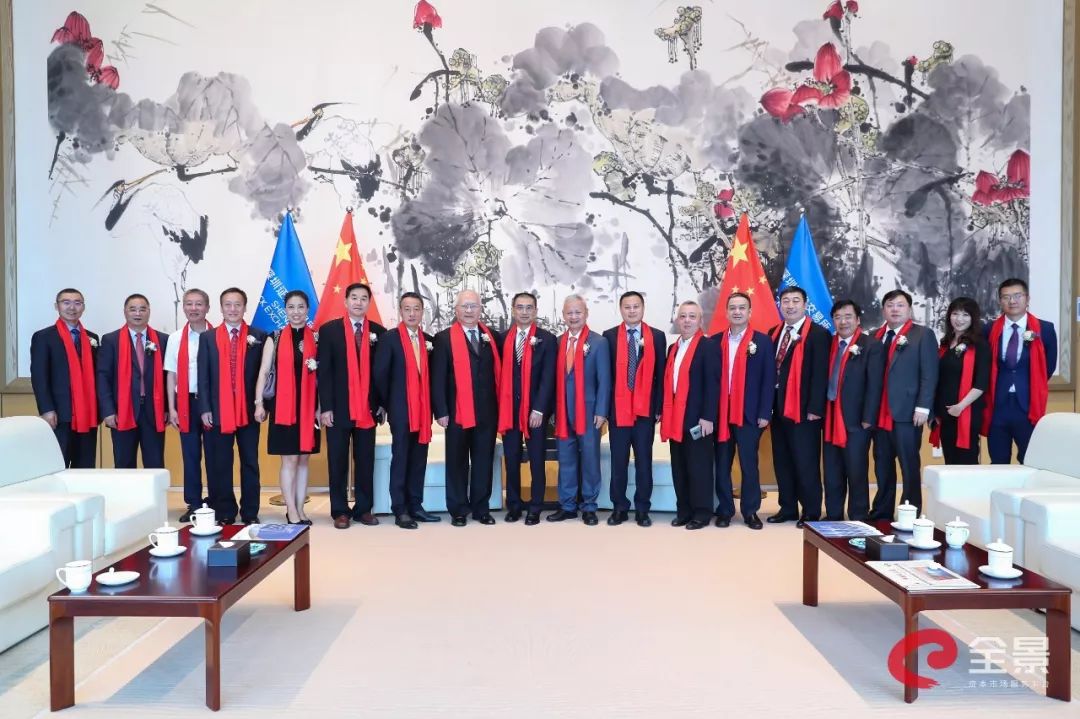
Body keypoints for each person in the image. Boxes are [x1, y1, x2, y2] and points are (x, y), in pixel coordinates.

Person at [317, 283, 387, 529]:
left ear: (369, 303)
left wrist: (382, 404)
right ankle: (340, 511)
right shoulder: (329, 330)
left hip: (368, 408)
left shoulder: (379, 332)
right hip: (338, 408)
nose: (358, 302)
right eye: (354, 298)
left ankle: (364, 509)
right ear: (345, 301)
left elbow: (382, 373)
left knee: (365, 461)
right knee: (337, 461)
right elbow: (324, 372)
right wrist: (326, 407)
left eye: (363, 298)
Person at [197, 287, 268, 525]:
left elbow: (264, 375)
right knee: (221, 463)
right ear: (221, 308)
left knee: (250, 462)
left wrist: (261, 405)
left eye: (238, 304)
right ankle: (225, 511)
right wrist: (205, 408)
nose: (233, 309)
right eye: (228, 304)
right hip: (218, 411)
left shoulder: (258, 336)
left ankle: (250, 512)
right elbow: (203, 376)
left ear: (245, 307)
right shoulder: (208, 338)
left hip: (249, 410)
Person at [432, 290, 502, 526]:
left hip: (487, 412)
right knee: (457, 462)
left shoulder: (491, 337)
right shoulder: (443, 339)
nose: (469, 311)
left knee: (484, 461)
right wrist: (441, 411)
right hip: (456, 412)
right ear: (457, 310)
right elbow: (438, 378)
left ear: (481, 309)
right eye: (465, 306)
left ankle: (481, 508)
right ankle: (459, 510)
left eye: (474, 306)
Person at [868, 289, 939, 519]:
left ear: (909, 309)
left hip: (908, 412)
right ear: (883, 310)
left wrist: (923, 406)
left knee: (908, 465)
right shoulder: (874, 335)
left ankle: (910, 512)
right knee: (882, 464)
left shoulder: (922, 335)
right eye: (890, 305)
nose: (895, 309)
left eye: (900, 305)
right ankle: (882, 511)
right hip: (880, 413)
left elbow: (929, 373)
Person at [254, 290, 322, 525]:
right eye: (291, 307)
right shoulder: (274, 337)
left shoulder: (317, 338)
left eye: (301, 307)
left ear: (307, 310)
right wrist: (259, 403)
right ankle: (291, 510)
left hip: (308, 408)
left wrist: (320, 408)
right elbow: (264, 371)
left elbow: (322, 378)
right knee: (290, 460)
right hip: (284, 409)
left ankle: (301, 509)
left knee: (303, 460)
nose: (296, 312)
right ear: (285, 310)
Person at [373, 292, 438, 529]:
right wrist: (388, 403)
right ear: (400, 311)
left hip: (423, 410)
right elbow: (380, 375)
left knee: (419, 458)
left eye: (416, 309)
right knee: (401, 458)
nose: (412, 314)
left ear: (422, 312)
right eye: (407, 309)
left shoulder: (429, 340)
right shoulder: (389, 339)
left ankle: (416, 505)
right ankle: (400, 509)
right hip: (401, 410)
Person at [767, 287, 829, 528]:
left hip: (804, 411)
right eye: (785, 301)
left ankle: (811, 511)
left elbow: (820, 374)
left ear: (805, 305)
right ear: (779, 305)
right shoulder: (774, 333)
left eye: (795, 301)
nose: (790, 305)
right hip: (777, 408)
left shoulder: (818, 334)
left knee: (806, 462)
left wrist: (815, 408)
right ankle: (788, 507)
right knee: (782, 461)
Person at [603, 291, 666, 527]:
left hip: (644, 412)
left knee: (643, 463)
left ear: (643, 308)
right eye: (627, 307)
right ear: (621, 309)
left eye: (636, 306)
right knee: (618, 463)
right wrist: (606, 410)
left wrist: (658, 407)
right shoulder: (609, 336)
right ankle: (619, 508)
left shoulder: (656, 336)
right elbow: (606, 377)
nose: (631, 311)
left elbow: (661, 374)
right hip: (619, 412)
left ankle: (642, 509)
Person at [712, 292, 774, 530]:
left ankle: (750, 511)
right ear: (726, 312)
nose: (737, 312)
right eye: (732, 308)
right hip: (721, 414)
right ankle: (725, 510)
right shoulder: (714, 341)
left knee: (749, 465)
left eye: (741, 308)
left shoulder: (762, 342)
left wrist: (765, 412)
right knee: (722, 465)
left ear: (749, 312)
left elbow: (769, 379)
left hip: (749, 414)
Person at [549, 295, 611, 526]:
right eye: (569, 313)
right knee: (565, 459)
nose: (573, 317)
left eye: (578, 312)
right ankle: (567, 505)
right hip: (563, 412)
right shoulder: (557, 342)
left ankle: (589, 506)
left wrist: (602, 411)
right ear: (563, 316)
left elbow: (605, 380)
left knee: (590, 460)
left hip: (589, 412)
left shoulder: (599, 342)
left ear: (586, 314)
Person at [983, 278, 1058, 464]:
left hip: (1028, 405)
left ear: (1027, 298)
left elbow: (1048, 367)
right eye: (1006, 297)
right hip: (997, 405)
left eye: (1017, 296)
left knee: (1029, 461)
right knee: (998, 461)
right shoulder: (989, 329)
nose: (1012, 301)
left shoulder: (1045, 329)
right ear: (1000, 301)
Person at [497, 292, 556, 525]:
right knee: (511, 459)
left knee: (536, 459)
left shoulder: (547, 339)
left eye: (529, 307)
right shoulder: (502, 339)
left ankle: (535, 506)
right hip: (509, 411)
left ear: (535, 311)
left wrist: (539, 409)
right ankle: (514, 504)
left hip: (535, 413)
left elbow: (548, 378)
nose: (524, 312)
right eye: (520, 307)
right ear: (513, 310)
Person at [822, 300, 882, 521]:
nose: (843, 321)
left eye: (848, 317)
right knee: (832, 470)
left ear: (857, 320)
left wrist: (868, 417)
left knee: (856, 470)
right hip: (830, 417)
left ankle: (858, 514)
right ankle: (833, 514)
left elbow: (875, 384)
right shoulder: (828, 344)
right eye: (838, 317)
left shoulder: (871, 345)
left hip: (857, 420)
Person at [660, 301, 718, 530]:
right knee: (680, 467)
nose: (686, 320)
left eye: (692, 316)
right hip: (675, 418)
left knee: (699, 468)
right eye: (683, 316)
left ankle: (702, 513)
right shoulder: (672, 348)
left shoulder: (708, 346)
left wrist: (708, 416)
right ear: (677, 320)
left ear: (700, 320)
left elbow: (713, 385)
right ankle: (684, 511)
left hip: (698, 419)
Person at [97, 293, 168, 469]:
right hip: (122, 411)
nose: (138, 313)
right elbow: (103, 377)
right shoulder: (111, 340)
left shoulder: (162, 339)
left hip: (154, 411)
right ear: (125, 312)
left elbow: (167, 377)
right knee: (124, 464)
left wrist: (166, 408)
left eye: (142, 309)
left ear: (149, 312)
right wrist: (108, 411)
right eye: (133, 309)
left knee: (155, 464)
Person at [30, 288, 99, 468]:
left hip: (88, 415)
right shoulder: (44, 337)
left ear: (83, 307)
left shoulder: (92, 338)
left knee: (85, 467)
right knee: (57, 466)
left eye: (77, 303)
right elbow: (39, 377)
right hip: (59, 414)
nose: (72, 307)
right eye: (66, 302)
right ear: (57, 306)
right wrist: (46, 409)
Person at [165, 289, 214, 522]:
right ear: (183, 307)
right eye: (189, 304)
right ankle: (194, 503)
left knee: (215, 455)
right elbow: (171, 375)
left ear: (207, 308)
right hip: (186, 402)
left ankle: (215, 501)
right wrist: (172, 408)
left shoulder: (217, 335)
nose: (193, 308)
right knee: (191, 455)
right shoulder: (175, 338)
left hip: (212, 403)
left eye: (199, 304)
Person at [931, 297, 992, 465]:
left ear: (973, 318)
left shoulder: (980, 345)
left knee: (967, 462)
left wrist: (960, 406)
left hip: (966, 412)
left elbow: (981, 383)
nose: (959, 319)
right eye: (955, 314)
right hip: (945, 414)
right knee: (950, 462)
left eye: (965, 315)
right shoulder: (945, 343)